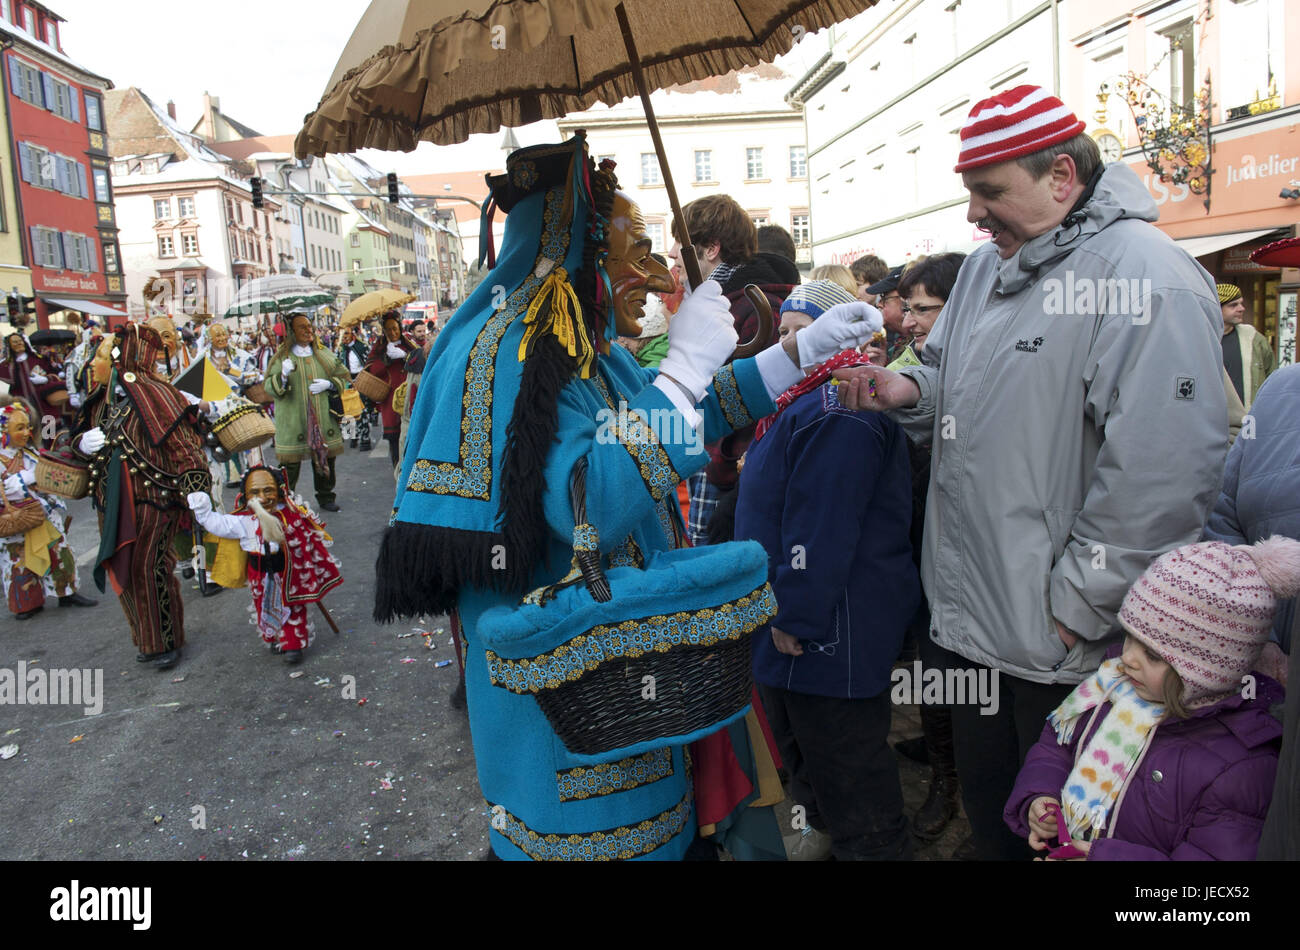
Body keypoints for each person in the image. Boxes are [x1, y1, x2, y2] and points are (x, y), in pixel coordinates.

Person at [374, 135, 879, 861]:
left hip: (627, 674)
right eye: (635, 250)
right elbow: (591, 508)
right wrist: (680, 370)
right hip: (572, 708)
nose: (653, 272)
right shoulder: (522, 355)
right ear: (578, 249)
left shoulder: (588, 346)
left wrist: (792, 354)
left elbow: (679, 424)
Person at [835, 84, 1229, 860]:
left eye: (988, 193)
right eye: (971, 193)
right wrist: (905, 389)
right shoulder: (985, 271)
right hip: (975, 630)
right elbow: (946, 372)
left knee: (1066, 843)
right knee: (997, 833)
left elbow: (1164, 473)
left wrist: (1080, 604)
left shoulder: (1150, 276)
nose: (974, 216)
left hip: (1066, 650)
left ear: (1061, 176)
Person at [1004, 536, 1290, 860]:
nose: (1128, 658)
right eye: (1129, 636)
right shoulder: (1112, 688)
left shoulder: (1241, 767)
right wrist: (1041, 794)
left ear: (1206, 672)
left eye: (1152, 655)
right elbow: (1058, 745)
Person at [738, 334, 912, 862]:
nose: (790, 342)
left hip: (831, 630)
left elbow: (823, 526)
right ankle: (835, 836)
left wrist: (794, 613)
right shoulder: (803, 401)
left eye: (802, 328)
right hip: (798, 626)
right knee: (813, 759)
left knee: (848, 772)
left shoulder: (841, 411)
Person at [75, 325, 212, 670]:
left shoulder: (158, 395)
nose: (93, 363)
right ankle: (147, 638)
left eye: (102, 356)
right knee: (122, 570)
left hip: (154, 498)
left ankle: (165, 640)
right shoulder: (99, 400)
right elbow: (69, 438)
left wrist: (196, 488)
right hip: (112, 502)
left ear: (122, 359)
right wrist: (78, 443)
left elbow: (185, 447)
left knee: (149, 568)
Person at [670, 195, 799, 546]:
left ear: (711, 248)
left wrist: (725, 463)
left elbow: (765, 403)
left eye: (680, 246)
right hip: (712, 466)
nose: (671, 255)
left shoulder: (754, 307)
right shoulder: (718, 304)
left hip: (729, 476)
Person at [187, 465, 342, 665]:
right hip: (258, 574)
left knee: (293, 606)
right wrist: (203, 510)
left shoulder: (291, 516)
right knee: (264, 606)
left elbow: (307, 541)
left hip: (287, 572)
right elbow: (219, 525)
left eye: (268, 490)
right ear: (246, 495)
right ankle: (275, 636)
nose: (262, 497)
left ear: (279, 491)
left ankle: (293, 644)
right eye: (255, 492)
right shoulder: (243, 521)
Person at [0, 402, 96, 619]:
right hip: (13, 521)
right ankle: (27, 602)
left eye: (27, 427)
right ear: (3, 432)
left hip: (43, 514)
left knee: (59, 552)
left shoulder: (29, 453)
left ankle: (67, 592)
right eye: (19, 428)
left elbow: (44, 472)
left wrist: (28, 479)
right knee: (18, 562)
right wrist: (24, 481)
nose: (27, 432)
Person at [264, 314, 351, 513]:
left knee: (325, 458)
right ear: (292, 332)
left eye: (309, 326)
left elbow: (342, 375)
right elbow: (268, 386)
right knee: (289, 463)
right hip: (293, 419)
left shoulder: (322, 352)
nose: (308, 330)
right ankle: (286, 497)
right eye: (302, 327)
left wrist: (330, 384)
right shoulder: (282, 356)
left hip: (321, 417)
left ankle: (326, 495)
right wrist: (283, 375)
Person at [363, 311, 415, 468]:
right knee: (395, 439)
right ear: (383, 331)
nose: (392, 332)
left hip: (409, 397)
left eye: (395, 328)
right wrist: (385, 360)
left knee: (411, 436)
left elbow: (420, 364)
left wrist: (405, 356)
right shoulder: (379, 348)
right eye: (388, 330)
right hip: (390, 400)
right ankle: (397, 469)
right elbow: (371, 371)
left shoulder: (409, 345)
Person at [1218, 282, 1275, 411]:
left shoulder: (1255, 340)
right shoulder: (1203, 340)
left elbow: (1272, 378)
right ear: (1216, 308)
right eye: (1233, 305)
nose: (1241, 308)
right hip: (1213, 419)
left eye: (1241, 303)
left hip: (1248, 419)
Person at [0, 333, 64, 422]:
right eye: (15, 342)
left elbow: (57, 376)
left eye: (20, 341)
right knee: (30, 432)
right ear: (9, 346)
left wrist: (46, 379)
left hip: (46, 408)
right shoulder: (5, 367)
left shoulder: (39, 359)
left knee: (50, 433)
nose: (19, 343)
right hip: (23, 411)